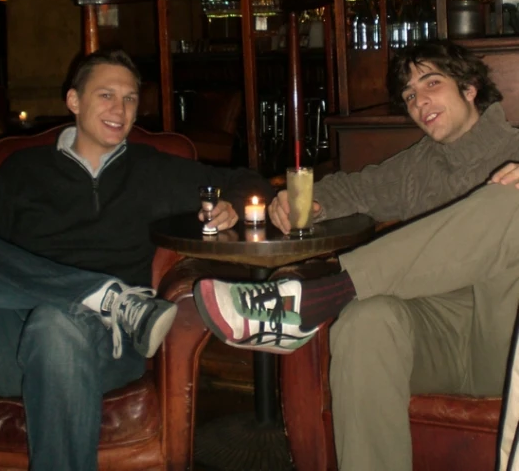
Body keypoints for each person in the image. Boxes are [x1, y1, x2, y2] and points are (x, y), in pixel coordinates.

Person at [195, 39, 519, 471]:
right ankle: (329, 300)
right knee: (366, 322)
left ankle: (322, 296)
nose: (418, 101)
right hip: (436, 336)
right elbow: (355, 188)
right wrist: (305, 201)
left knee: (506, 199)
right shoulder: (420, 165)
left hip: (504, 340)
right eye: (408, 95)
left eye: (432, 83)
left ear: (470, 87)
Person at [0, 48, 273, 471]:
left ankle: (102, 303)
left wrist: (229, 202)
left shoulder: (152, 170)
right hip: (6, 343)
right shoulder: (22, 170)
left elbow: (247, 181)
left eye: (131, 98)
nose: (121, 109)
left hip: (103, 342)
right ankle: (96, 292)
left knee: (54, 325)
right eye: (106, 95)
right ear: (74, 101)